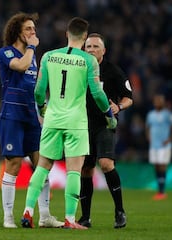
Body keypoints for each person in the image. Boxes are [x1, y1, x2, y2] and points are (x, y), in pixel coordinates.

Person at [21, 17, 118, 230]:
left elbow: (38, 91)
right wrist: (109, 115)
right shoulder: (89, 61)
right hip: (76, 122)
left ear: (67, 34)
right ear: (84, 38)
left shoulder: (48, 56)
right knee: (74, 170)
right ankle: (70, 219)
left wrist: (43, 108)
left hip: (53, 119)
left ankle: (27, 212)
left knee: (42, 167)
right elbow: (98, 94)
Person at [0, 12, 63, 228]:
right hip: (12, 116)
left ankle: (45, 216)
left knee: (41, 165)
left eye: (34, 29)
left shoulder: (32, 56)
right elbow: (20, 66)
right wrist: (32, 47)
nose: (33, 33)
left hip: (31, 118)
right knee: (14, 164)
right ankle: (8, 217)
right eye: (28, 29)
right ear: (17, 31)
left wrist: (43, 113)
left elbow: (36, 88)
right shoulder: (6, 52)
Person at [77, 33, 133, 228]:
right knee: (85, 169)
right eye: (88, 47)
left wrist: (119, 107)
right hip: (82, 125)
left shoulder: (113, 71)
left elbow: (128, 97)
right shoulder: (79, 69)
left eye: (95, 47)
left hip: (105, 124)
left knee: (106, 164)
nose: (91, 50)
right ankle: (85, 217)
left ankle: (120, 211)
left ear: (103, 51)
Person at [145, 94, 172, 200]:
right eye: (156, 101)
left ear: (163, 102)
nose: (158, 102)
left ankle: (162, 192)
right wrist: (148, 137)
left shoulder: (168, 114)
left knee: (162, 166)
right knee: (156, 166)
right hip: (154, 145)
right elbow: (147, 127)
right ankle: (159, 190)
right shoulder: (151, 115)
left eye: (160, 101)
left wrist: (170, 138)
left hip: (164, 145)